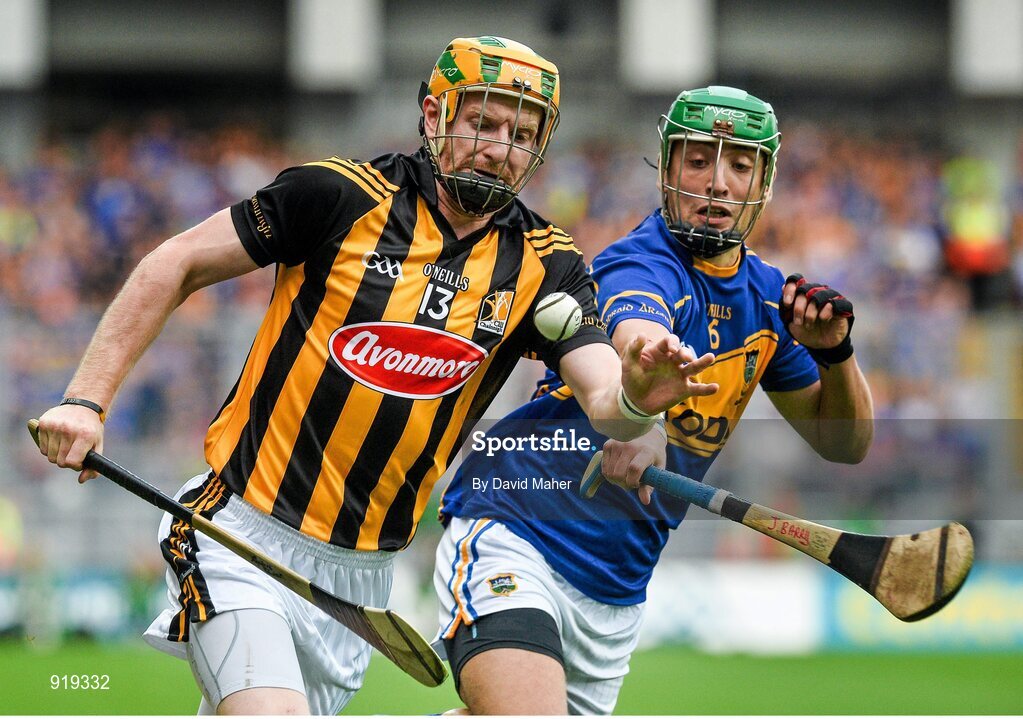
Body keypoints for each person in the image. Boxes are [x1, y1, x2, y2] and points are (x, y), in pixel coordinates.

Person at [33, 37, 718, 716]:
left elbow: (605, 397)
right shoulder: (337, 195)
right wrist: (86, 400)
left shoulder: (546, 264)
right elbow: (174, 263)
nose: (498, 145)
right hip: (239, 531)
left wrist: (636, 400)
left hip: (359, 581)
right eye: (481, 121)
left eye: (520, 132)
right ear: (432, 114)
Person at [434, 86, 874, 715]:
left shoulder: (772, 301)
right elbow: (637, 335)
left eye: (739, 166)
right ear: (667, 171)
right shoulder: (637, 262)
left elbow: (845, 444)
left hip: (617, 588)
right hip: (517, 528)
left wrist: (836, 354)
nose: (717, 183)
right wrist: (641, 407)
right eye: (698, 161)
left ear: (765, 181)